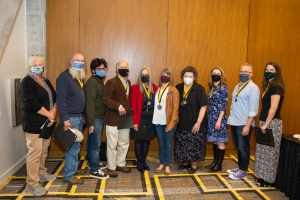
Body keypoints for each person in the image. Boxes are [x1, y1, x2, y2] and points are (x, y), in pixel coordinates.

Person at [20, 55, 57, 196]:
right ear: (29, 67)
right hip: (33, 122)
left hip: (47, 122)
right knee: (34, 153)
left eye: (40, 65)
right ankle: (32, 184)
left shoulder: (45, 81)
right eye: (35, 65)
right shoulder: (26, 82)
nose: (38, 67)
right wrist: (48, 114)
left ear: (43, 67)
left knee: (44, 150)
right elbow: (32, 103)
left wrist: (53, 112)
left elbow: (54, 97)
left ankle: (41, 173)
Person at [56, 53, 86, 185]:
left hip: (78, 117)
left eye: (82, 61)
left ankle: (72, 169)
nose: (79, 62)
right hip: (70, 119)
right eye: (77, 60)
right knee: (72, 148)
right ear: (70, 62)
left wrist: (83, 116)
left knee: (76, 146)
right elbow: (61, 101)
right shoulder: (64, 77)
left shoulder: (79, 77)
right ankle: (69, 175)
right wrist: (66, 120)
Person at [227, 63, 260, 180]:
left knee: (243, 148)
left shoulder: (254, 88)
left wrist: (247, 125)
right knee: (238, 146)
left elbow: (253, 110)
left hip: (244, 123)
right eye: (241, 71)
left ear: (251, 74)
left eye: (246, 72)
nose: (243, 73)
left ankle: (243, 170)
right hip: (235, 122)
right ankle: (240, 167)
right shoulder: (238, 85)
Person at [254, 62, 285, 187]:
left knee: (271, 153)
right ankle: (263, 177)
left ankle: (269, 179)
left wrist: (266, 123)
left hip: (272, 122)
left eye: (271, 69)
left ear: (277, 72)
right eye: (267, 69)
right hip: (265, 121)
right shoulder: (269, 86)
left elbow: (274, 107)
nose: (268, 71)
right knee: (263, 151)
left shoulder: (277, 87)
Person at [174, 66, 208, 174]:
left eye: (190, 76)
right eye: (185, 76)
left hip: (195, 122)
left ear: (194, 78)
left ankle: (194, 165)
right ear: (182, 77)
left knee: (194, 144)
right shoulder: (178, 88)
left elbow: (203, 107)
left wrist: (198, 122)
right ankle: (185, 163)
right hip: (181, 123)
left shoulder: (199, 89)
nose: (187, 78)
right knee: (183, 143)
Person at [103, 60, 132, 178]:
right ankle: (111, 167)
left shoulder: (128, 82)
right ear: (116, 69)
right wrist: (119, 106)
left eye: (126, 67)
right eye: (121, 67)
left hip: (125, 118)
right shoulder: (111, 82)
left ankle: (120, 164)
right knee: (112, 144)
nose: (124, 69)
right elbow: (106, 99)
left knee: (124, 143)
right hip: (113, 118)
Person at [84, 58, 109, 179]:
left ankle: (93, 162)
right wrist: (91, 122)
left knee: (92, 142)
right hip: (95, 118)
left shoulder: (99, 81)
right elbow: (90, 103)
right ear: (93, 70)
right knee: (96, 144)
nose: (102, 71)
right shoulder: (91, 83)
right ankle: (94, 170)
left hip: (100, 117)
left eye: (104, 69)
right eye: (99, 69)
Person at [153, 67, 179, 175]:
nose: (165, 76)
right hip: (157, 121)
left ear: (170, 77)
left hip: (168, 122)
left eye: (168, 74)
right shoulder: (158, 89)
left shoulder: (173, 90)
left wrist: (171, 124)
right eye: (163, 73)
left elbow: (175, 109)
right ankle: (161, 163)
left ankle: (167, 165)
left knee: (168, 144)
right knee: (161, 143)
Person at [130, 67, 157, 172]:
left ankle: (144, 160)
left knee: (147, 140)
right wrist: (135, 122)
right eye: (143, 74)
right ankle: (139, 161)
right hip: (140, 119)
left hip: (151, 119)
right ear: (140, 76)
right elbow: (133, 106)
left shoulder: (154, 87)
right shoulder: (135, 87)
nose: (145, 76)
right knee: (139, 140)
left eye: (147, 74)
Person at [205, 67, 228, 172]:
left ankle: (219, 165)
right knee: (214, 141)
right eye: (214, 73)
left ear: (221, 75)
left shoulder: (223, 88)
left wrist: (219, 120)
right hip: (211, 117)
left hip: (219, 118)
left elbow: (223, 106)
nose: (215, 75)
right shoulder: (212, 88)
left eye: (218, 73)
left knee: (220, 141)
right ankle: (214, 162)